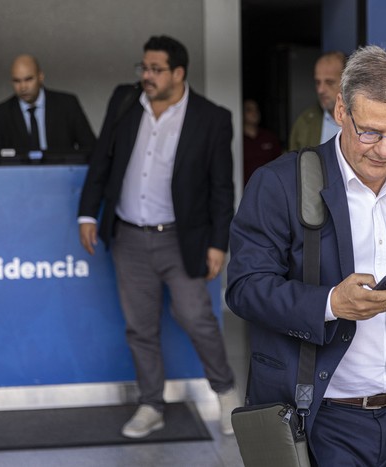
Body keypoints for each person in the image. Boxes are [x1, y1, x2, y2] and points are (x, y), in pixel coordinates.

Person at [226, 45, 386, 467]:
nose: (384, 150)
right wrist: (330, 304)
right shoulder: (278, 184)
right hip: (322, 420)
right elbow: (244, 288)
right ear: (341, 111)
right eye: (370, 132)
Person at [77, 35, 239, 438]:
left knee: (196, 317)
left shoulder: (211, 117)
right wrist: (86, 212)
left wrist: (219, 243)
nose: (146, 76)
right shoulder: (125, 101)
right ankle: (151, 404)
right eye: (143, 68)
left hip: (180, 238)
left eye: (155, 69)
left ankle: (225, 393)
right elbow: (102, 158)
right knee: (140, 326)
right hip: (129, 236)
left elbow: (222, 187)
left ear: (178, 73)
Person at [0, 54, 95, 165]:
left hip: (62, 175)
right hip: (19, 178)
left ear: (40, 77)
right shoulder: (1, 113)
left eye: (28, 79)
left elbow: (91, 148)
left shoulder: (67, 105)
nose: (23, 87)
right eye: (17, 81)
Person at [288, 51, 346, 151]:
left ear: (347, 82)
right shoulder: (305, 121)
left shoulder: (363, 119)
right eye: (318, 82)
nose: (320, 90)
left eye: (329, 82)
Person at [242, 98, 281, 185]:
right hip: (245, 188)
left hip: (269, 186)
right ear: (242, 113)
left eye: (256, 109)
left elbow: (279, 164)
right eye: (249, 110)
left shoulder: (269, 137)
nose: (254, 113)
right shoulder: (240, 139)